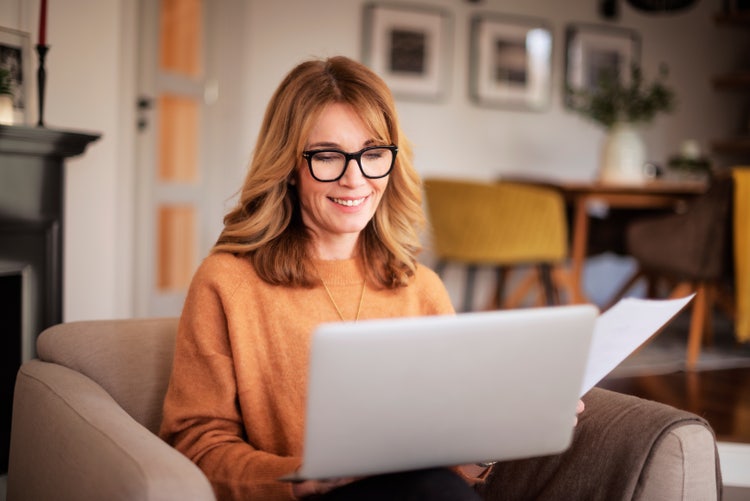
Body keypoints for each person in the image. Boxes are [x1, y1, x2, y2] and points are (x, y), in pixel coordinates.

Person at [159, 56, 581, 500]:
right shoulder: (227, 282)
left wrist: (491, 440)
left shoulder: (421, 287)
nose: (354, 178)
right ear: (287, 167)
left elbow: (452, 461)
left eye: (373, 154)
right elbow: (195, 445)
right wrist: (306, 477)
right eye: (327, 156)